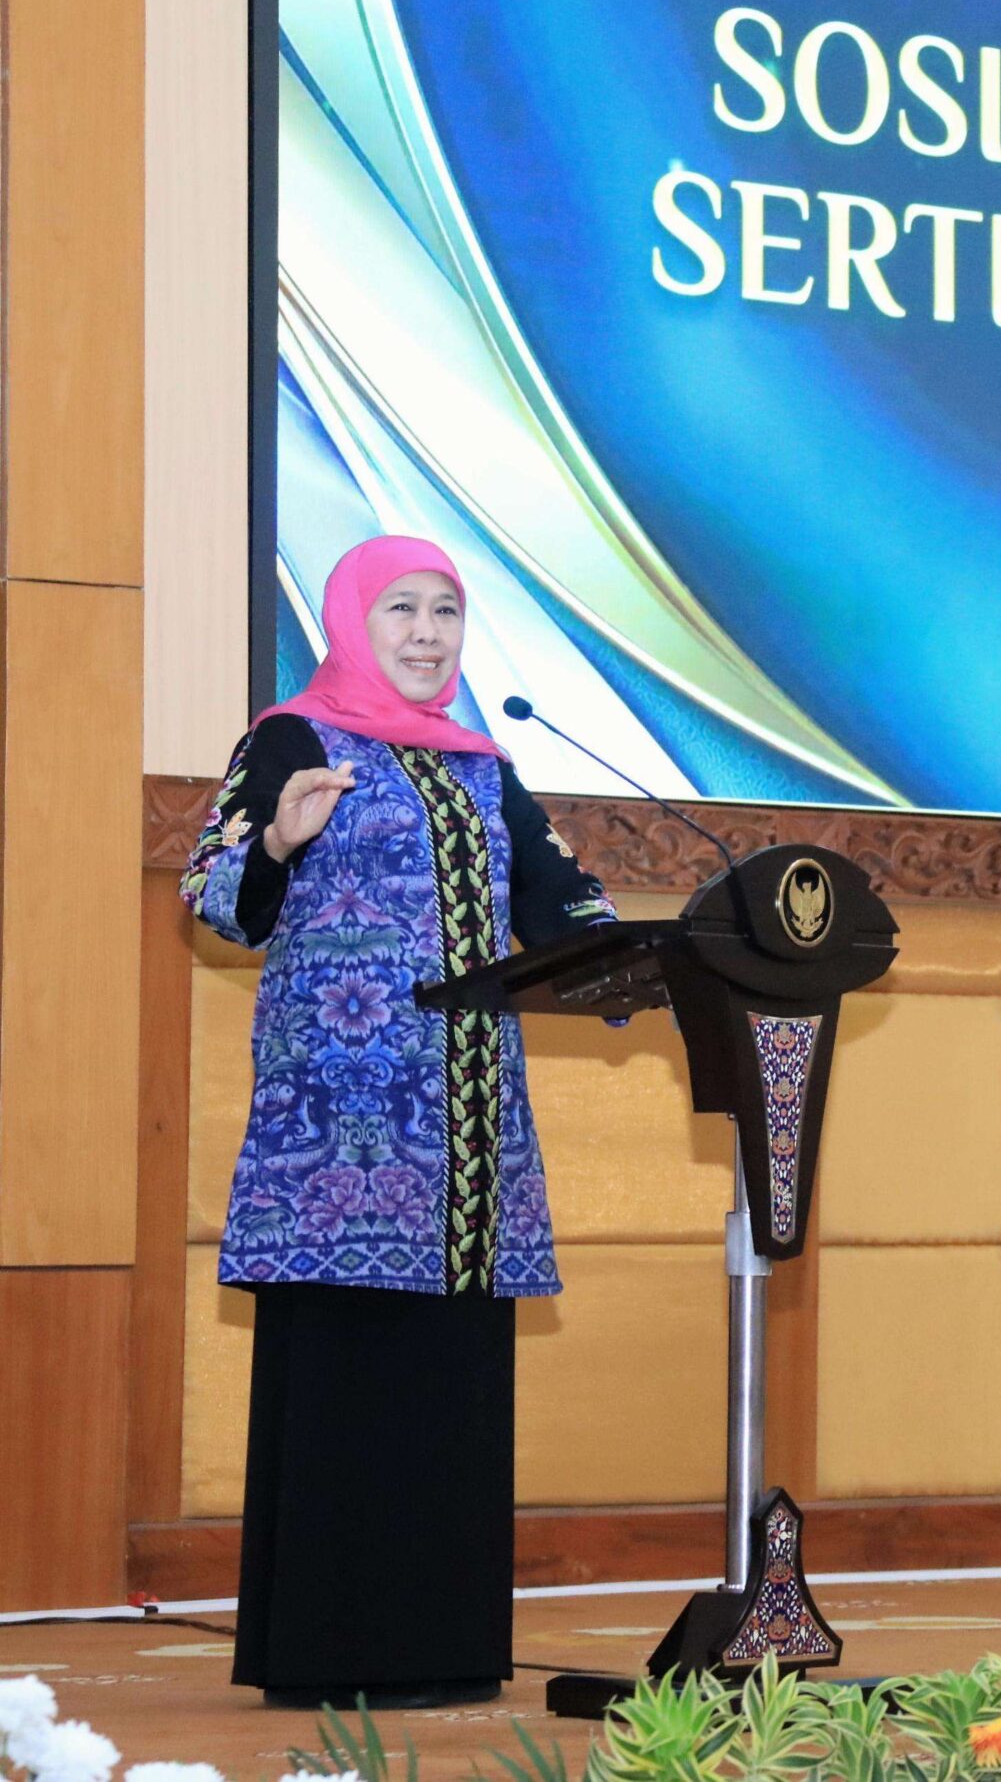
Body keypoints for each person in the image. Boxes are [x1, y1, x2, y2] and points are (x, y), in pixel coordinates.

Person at [181, 534, 614, 1710]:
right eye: (403, 610)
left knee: (445, 1394)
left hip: (466, 1141)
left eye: (447, 611)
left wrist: (653, 956)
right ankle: (329, 1651)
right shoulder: (292, 737)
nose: (428, 633)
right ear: (353, 620)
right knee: (345, 1387)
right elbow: (215, 893)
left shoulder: (482, 765)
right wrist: (279, 840)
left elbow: (563, 906)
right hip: (338, 1136)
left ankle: (444, 1647)